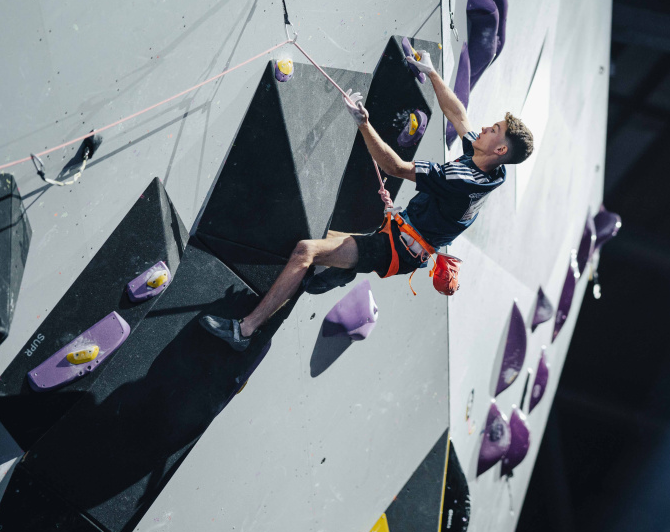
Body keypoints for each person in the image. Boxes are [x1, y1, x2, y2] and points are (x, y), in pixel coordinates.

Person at [200, 50, 534, 351]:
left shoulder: (462, 181)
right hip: (400, 228)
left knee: (305, 250)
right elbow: (460, 118)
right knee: (321, 244)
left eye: (494, 130)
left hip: (394, 249)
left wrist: (363, 124)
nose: (486, 128)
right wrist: (432, 73)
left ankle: (244, 331)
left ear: (500, 150)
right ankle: (343, 270)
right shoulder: (493, 168)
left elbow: (395, 166)